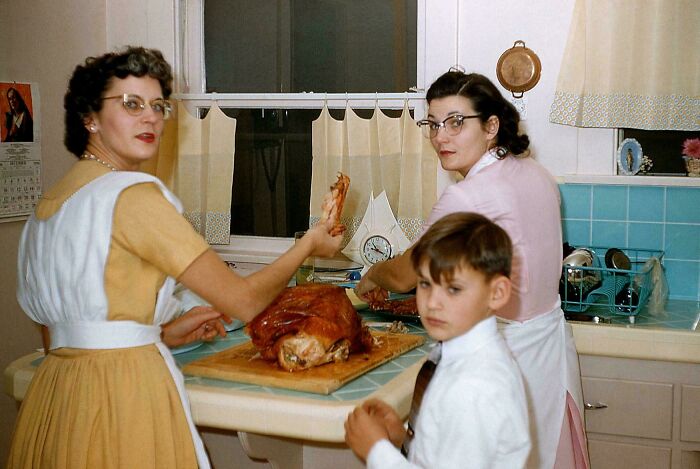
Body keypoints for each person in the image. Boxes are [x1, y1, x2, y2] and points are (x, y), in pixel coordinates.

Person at [7, 46, 343, 469]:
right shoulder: (131, 196)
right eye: (131, 104)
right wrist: (309, 244)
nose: (150, 117)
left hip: (55, 400)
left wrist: (158, 335)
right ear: (89, 116)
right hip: (121, 400)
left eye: (158, 106)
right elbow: (241, 302)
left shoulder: (52, 203)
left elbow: (65, 337)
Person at [355, 71, 588, 469]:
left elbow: (404, 276)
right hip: (548, 357)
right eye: (432, 124)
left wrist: (371, 274)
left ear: (491, 126)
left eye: (456, 122)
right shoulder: (537, 174)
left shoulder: (465, 196)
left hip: (506, 351)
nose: (441, 137)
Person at [345, 212, 530, 468]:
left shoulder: (475, 387)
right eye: (424, 283)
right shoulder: (455, 353)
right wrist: (404, 436)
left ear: (497, 293)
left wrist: (377, 452)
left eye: (453, 289)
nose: (432, 303)